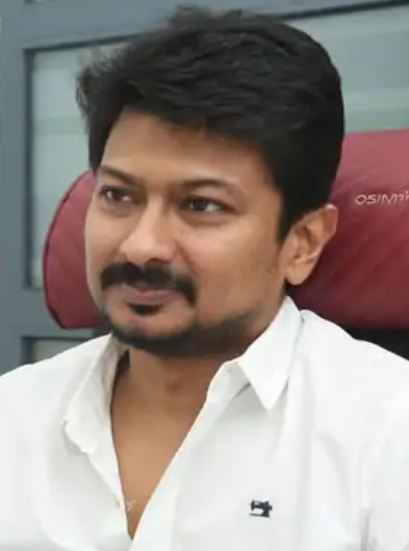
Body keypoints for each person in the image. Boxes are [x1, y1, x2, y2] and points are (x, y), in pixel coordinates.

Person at [1, 7, 409, 550]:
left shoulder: (387, 432)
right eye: (118, 195)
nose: (140, 245)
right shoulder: (15, 413)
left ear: (303, 242)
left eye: (201, 205)